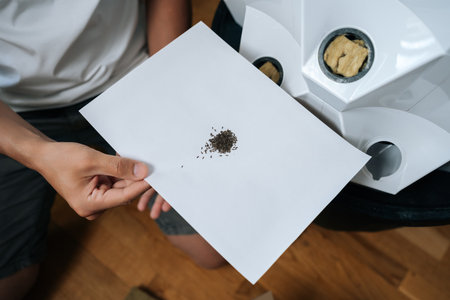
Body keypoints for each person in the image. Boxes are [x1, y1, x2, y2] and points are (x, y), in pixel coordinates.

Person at [0, 1, 225, 299]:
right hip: (15, 112)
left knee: (212, 250)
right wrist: (37, 153)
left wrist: (168, 92)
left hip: (130, 72)